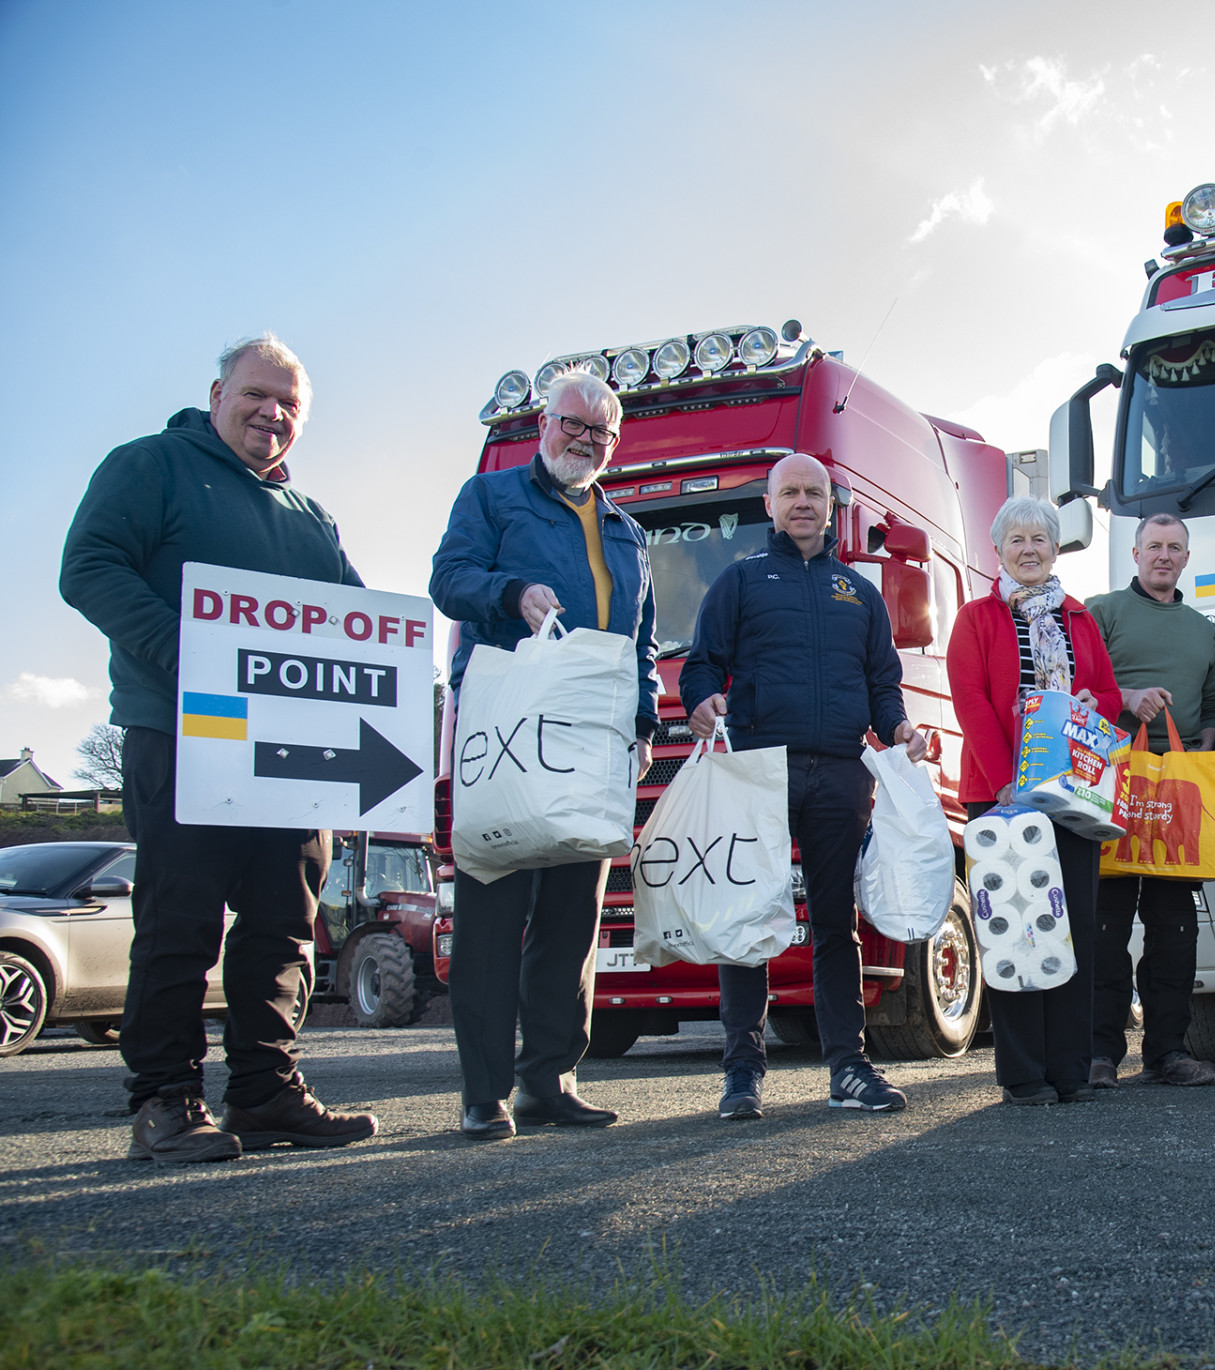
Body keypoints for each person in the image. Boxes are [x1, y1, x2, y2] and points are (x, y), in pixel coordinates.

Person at [59, 334, 378, 1164]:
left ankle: (266, 1093)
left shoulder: (313, 518)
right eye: (256, 395)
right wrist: (188, 652)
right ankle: (165, 1101)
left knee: (285, 922)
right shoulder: (151, 466)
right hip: (180, 732)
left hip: (292, 748)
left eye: (289, 405)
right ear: (217, 393)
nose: (272, 413)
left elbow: (354, 622)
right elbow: (89, 567)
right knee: (181, 918)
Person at [429, 368, 661, 1140]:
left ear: (614, 443)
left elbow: (644, 644)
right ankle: (484, 1092)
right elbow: (448, 579)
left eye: (600, 432)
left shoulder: (628, 533)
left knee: (572, 920)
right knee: (494, 915)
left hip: (592, 742)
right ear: (543, 425)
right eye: (573, 424)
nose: (585, 440)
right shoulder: (490, 497)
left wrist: (643, 725)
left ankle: (550, 1080)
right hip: (508, 731)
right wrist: (510, 591)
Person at [680, 452, 928, 1120]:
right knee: (747, 922)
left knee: (833, 924)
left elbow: (882, 687)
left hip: (842, 773)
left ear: (831, 504)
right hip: (758, 770)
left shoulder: (859, 592)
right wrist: (701, 702)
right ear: (769, 504)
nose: (802, 503)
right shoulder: (741, 582)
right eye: (789, 492)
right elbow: (701, 666)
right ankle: (741, 1075)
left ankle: (848, 1067)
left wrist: (901, 729)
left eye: (814, 493)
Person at [948, 496, 1122, 1104]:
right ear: (998, 550)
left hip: (1072, 791)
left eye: (1040, 540)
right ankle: (1023, 1074)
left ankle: (1071, 1069)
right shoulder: (976, 618)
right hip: (1001, 796)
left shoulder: (1080, 617)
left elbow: (1106, 689)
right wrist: (1004, 783)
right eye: (1016, 539)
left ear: (1055, 549)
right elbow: (969, 701)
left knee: (1069, 929)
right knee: (1015, 929)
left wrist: (1091, 706)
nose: (1029, 549)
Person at [1084, 513, 1215, 1088]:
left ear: (1187, 558)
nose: (1164, 556)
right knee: (1105, 926)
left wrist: (1199, 759)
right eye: (1154, 547)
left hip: (1179, 790)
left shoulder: (1200, 627)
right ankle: (1098, 1054)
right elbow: (1079, 687)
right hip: (1113, 782)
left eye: (1175, 548)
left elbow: (1212, 704)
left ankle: (1168, 1051)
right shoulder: (1104, 611)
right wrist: (1129, 696)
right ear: (1136, 554)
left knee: (1174, 929)